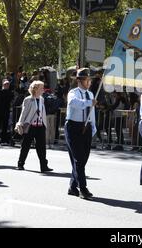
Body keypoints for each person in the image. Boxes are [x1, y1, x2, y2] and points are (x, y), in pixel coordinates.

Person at [64, 68, 97, 199]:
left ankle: (72, 186)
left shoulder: (91, 94)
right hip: (74, 127)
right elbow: (73, 103)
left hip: (86, 127)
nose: (89, 82)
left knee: (83, 159)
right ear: (79, 80)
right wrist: (88, 103)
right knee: (78, 159)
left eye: (89, 80)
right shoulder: (73, 92)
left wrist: (93, 126)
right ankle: (83, 188)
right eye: (86, 79)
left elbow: (92, 112)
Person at [15, 80, 53, 173]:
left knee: (41, 147)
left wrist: (44, 124)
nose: (43, 90)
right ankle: (20, 164)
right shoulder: (28, 99)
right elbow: (24, 112)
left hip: (40, 125)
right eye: (41, 88)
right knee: (25, 145)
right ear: (35, 89)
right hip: (30, 126)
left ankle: (44, 166)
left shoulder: (42, 99)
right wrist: (20, 123)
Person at [0, 79, 14, 145]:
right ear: (3, 85)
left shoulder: (9, 93)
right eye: (5, 84)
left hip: (4, 111)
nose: (6, 85)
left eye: (7, 84)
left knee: (4, 126)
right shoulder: (2, 92)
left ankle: (3, 140)